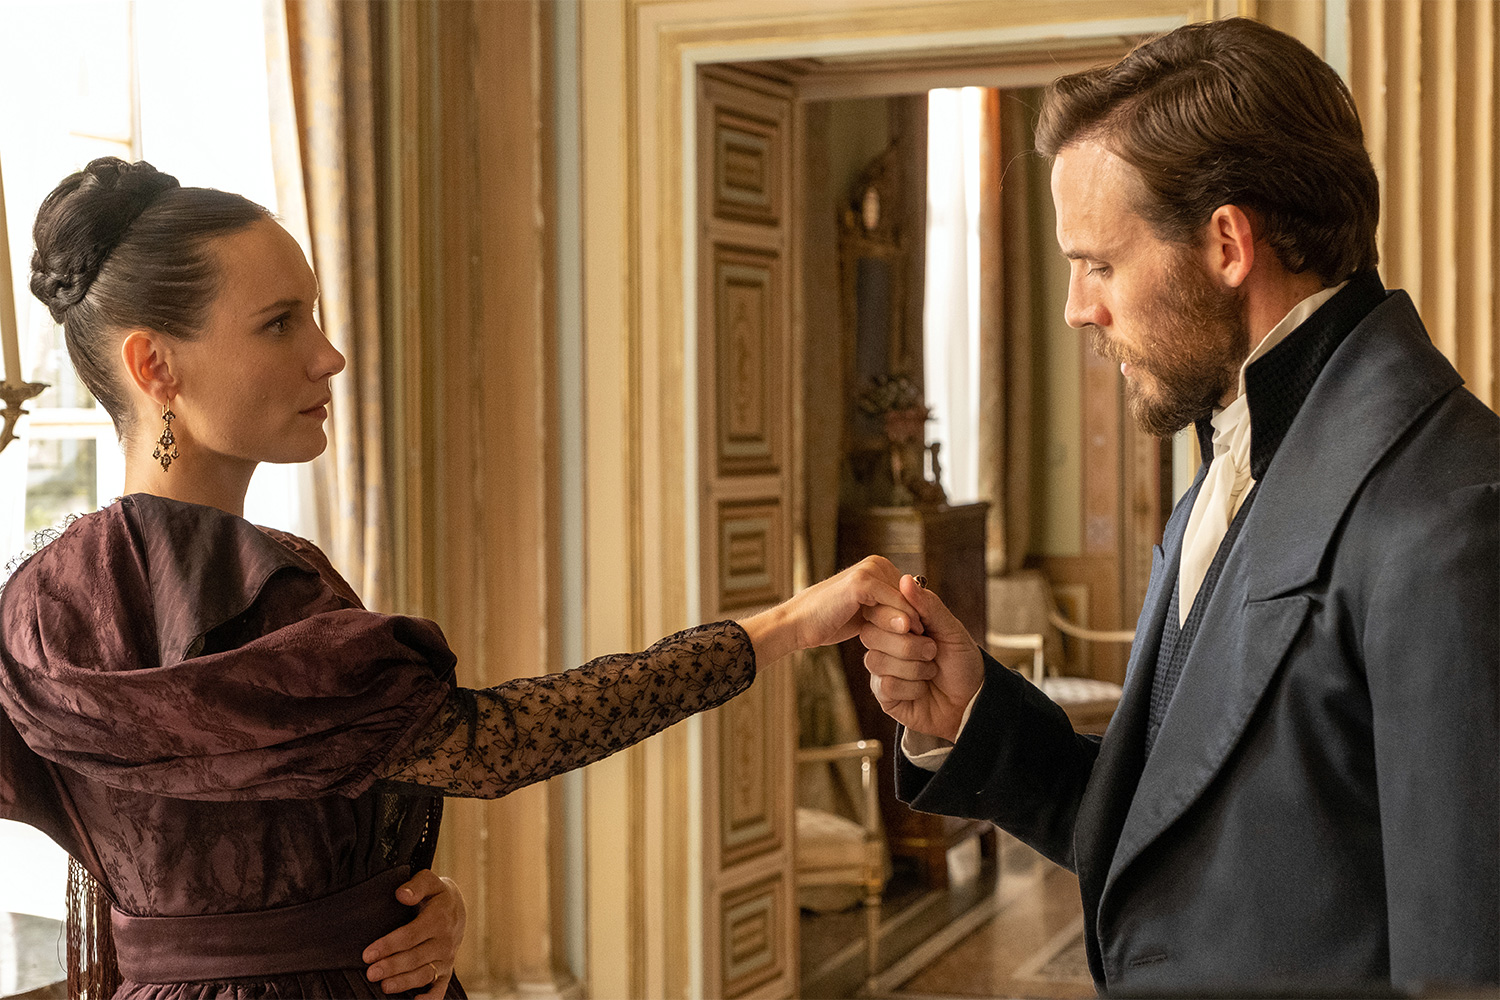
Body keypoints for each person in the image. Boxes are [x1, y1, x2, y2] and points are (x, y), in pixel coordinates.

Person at [0, 157, 921, 999]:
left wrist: (387, 907)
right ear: (154, 364)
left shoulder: (40, 601)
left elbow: (180, 865)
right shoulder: (261, 590)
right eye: (281, 323)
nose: (329, 355)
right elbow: (493, 743)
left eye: (313, 314)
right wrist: (780, 628)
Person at [857, 17, 1498, 997]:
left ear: (1228, 243)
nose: (1078, 306)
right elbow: (1186, 836)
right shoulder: (1227, 467)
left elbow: (1466, 972)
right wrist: (975, 714)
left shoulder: (1447, 517)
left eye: (1099, 264)